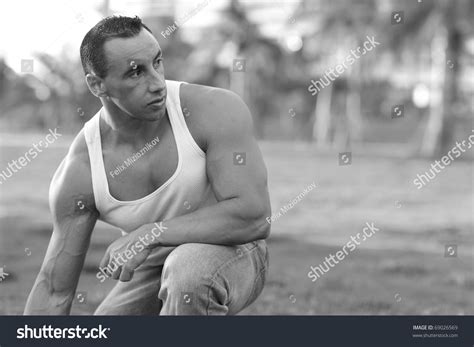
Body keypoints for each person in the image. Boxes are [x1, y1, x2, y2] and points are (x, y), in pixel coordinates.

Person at [24, 15, 271, 315]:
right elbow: (54, 290)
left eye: (157, 62)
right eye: (135, 73)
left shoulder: (214, 109)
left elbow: (254, 217)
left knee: (189, 275)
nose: (157, 84)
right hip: (150, 265)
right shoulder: (81, 170)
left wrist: (149, 233)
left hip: (234, 250)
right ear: (96, 85)